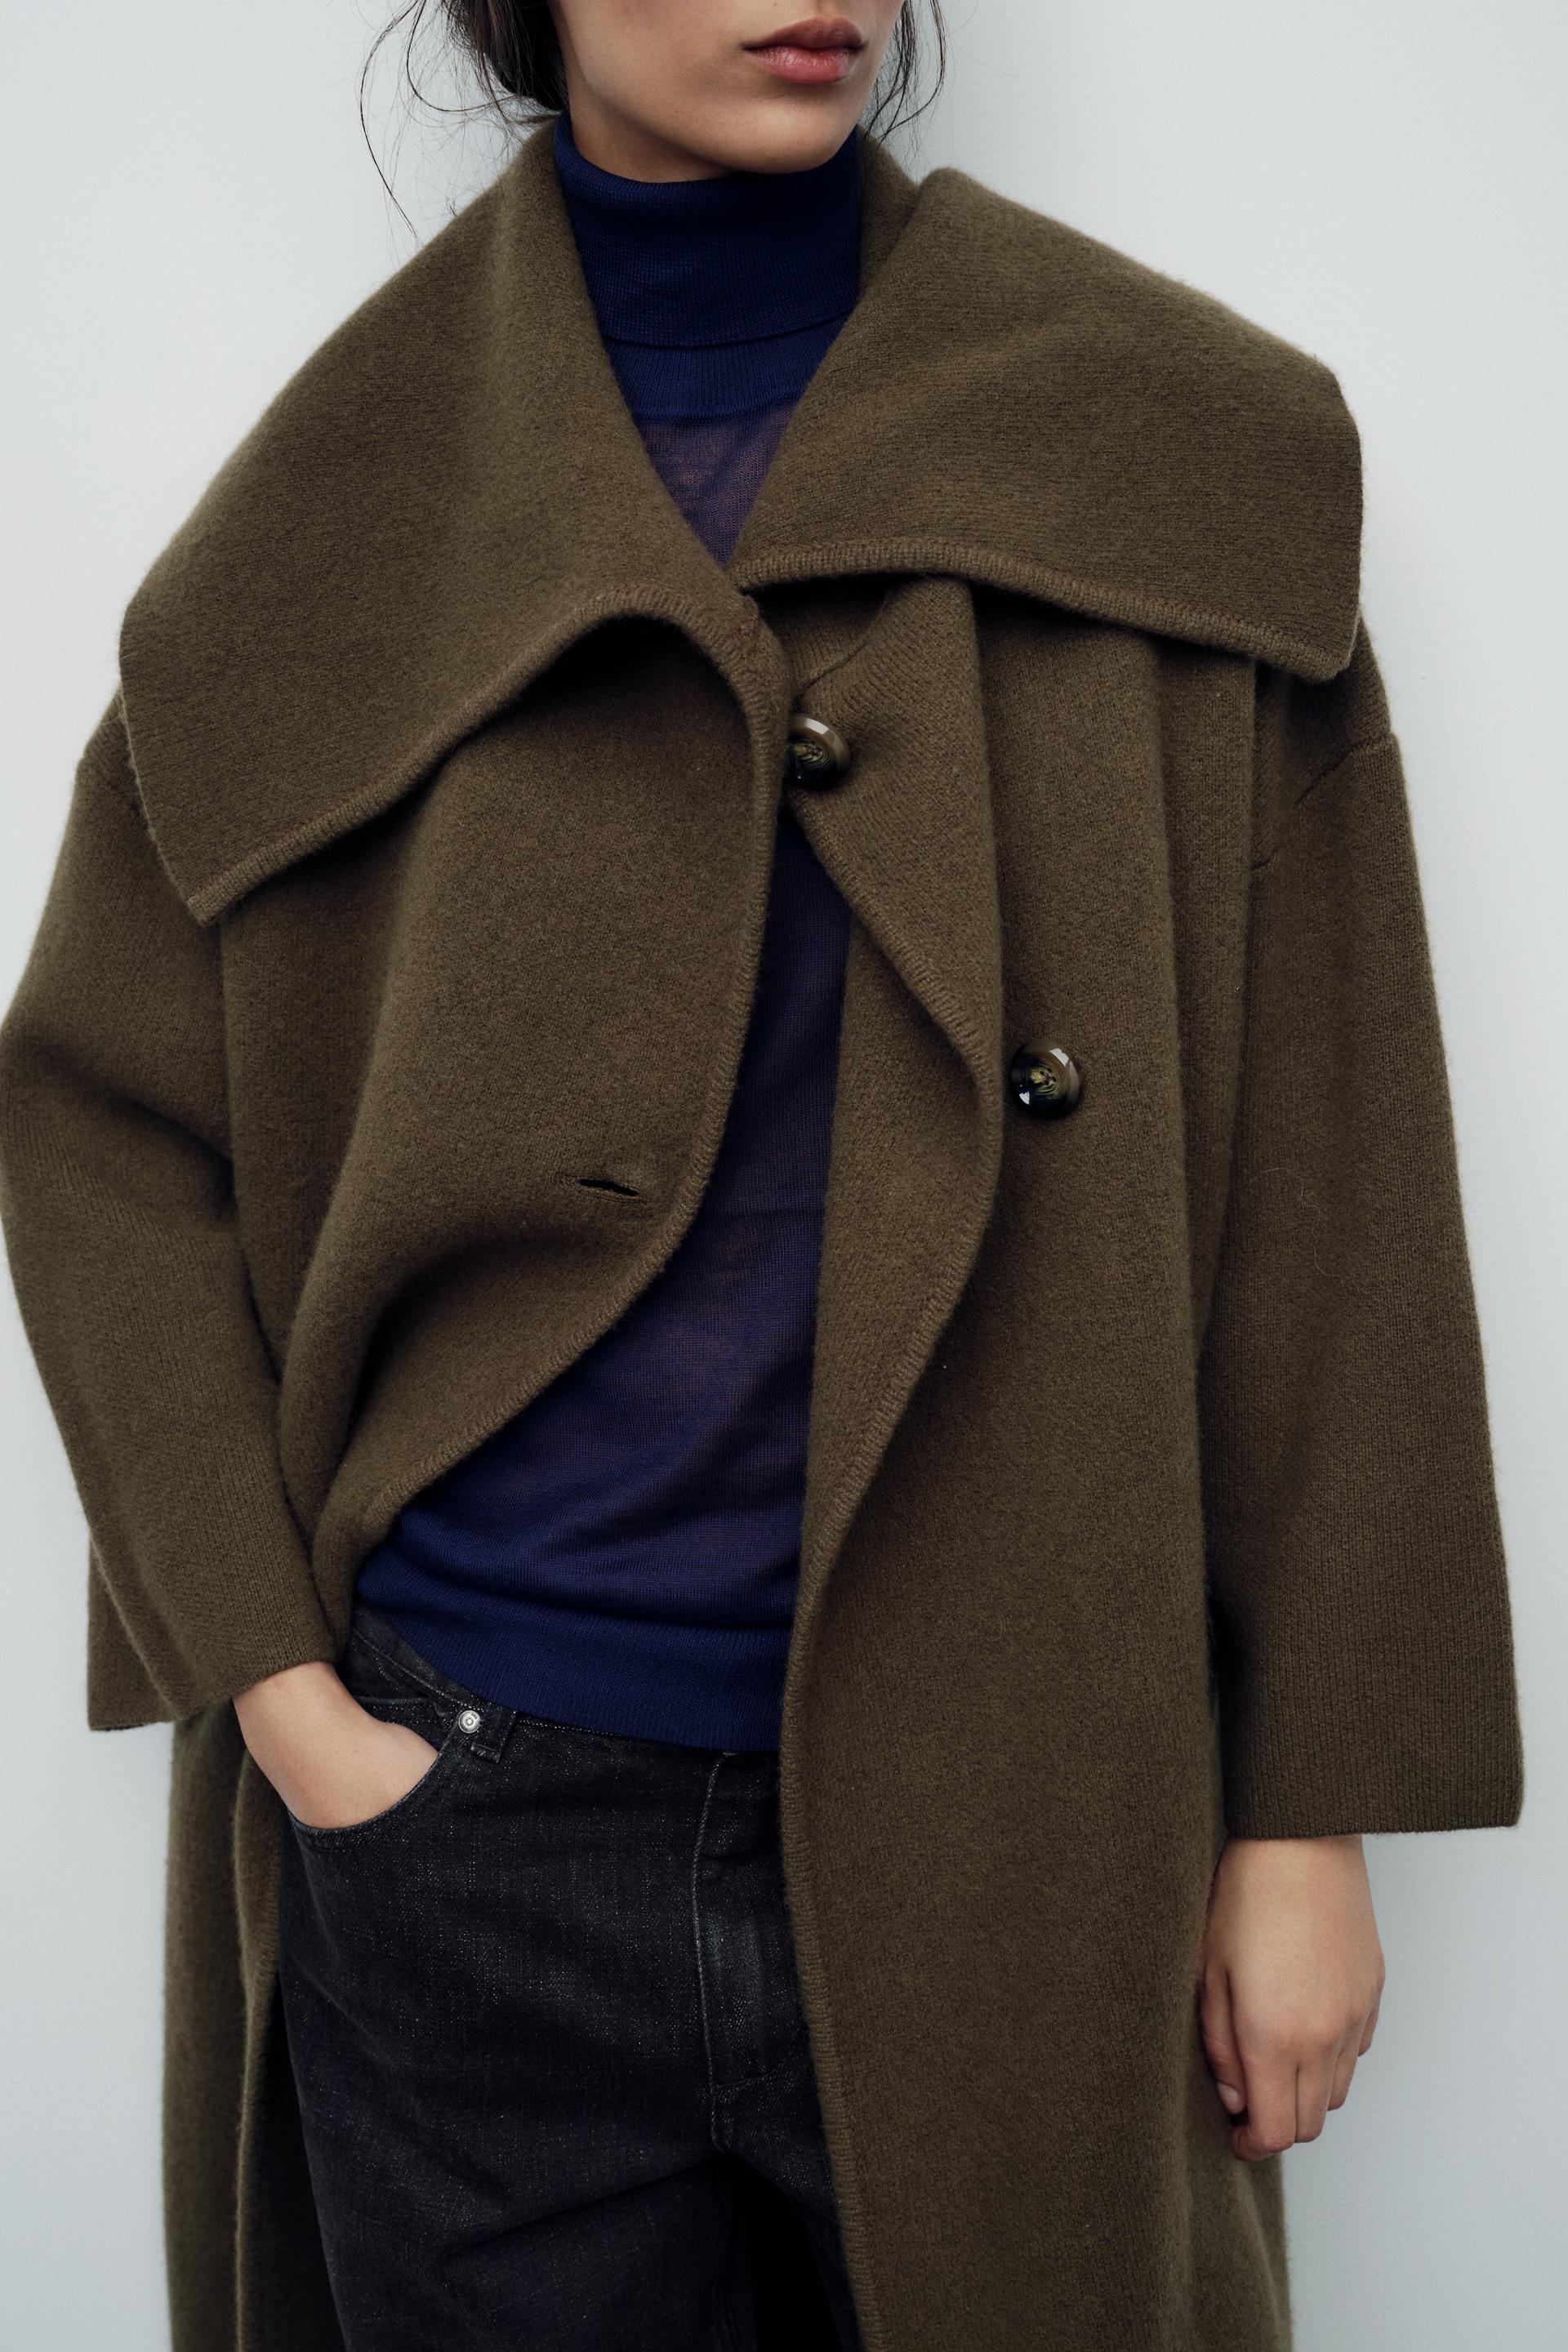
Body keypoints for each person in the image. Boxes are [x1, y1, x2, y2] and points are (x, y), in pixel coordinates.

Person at [0, 5, 1526, 2350]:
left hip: (1034, 1811)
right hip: (468, 1822)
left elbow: (1338, 1172)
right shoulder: (334, 513)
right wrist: (295, 1714)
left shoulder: (1175, 447)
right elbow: (96, 1122)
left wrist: (1304, 1812)